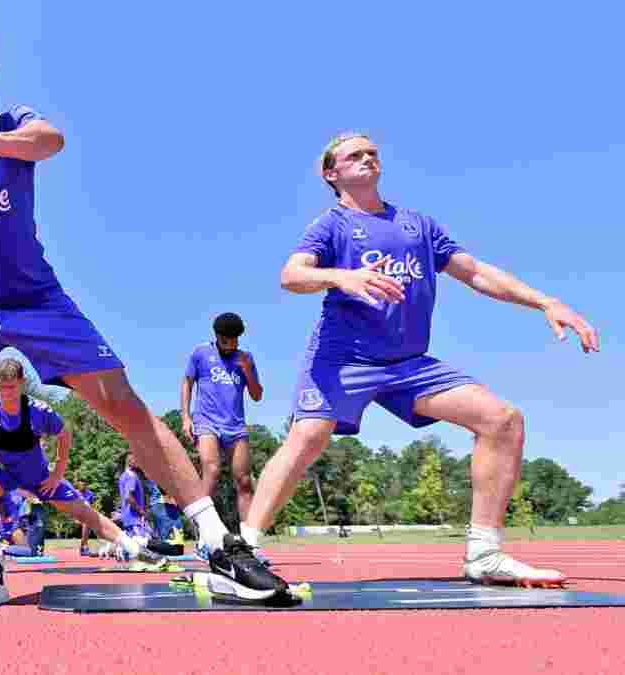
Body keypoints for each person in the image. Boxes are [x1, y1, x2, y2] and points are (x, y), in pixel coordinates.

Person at [0, 26, 242, 609]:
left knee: (122, 403)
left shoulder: (11, 125)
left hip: (39, 299)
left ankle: (220, 541)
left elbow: (51, 140)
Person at [240, 132, 599, 593]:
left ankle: (484, 553)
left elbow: (476, 272)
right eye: (355, 155)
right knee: (308, 436)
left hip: (409, 362)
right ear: (332, 174)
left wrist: (545, 301)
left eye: (372, 153)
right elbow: (292, 275)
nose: (368, 158)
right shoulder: (330, 225)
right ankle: (243, 549)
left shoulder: (418, 226)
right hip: (343, 358)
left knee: (502, 420)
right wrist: (342, 276)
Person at [0, 358, 165, 572]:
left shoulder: (38, 410)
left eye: (10, 388)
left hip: (41, 478)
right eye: (0, 387)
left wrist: (58, 472)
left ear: (21, 383)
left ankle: (137, 551)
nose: (5, 393)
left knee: (87, 514)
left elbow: (64, 434)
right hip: (6, 475)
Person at [180, 313, 263, 537]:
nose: (232, 344)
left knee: (244, 481)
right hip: (206, 421)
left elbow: (257, 395)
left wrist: (247, 370)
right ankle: (205, 537)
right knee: (212, 470)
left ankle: (250, 541)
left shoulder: (246, 357)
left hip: (235, 426)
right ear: (217, 336)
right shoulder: (201, 353)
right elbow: (187, 383)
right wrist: (186, 417)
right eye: (227, 339)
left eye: (235, 339)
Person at [74, 481, 96, 555]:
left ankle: (83, 547)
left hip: (88, 514)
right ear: (78, 485)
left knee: (87, 527)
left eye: (84, 485)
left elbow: (93, 505)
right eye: (81, 485)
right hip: (78, 514)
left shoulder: (90, 493)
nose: (83, 486)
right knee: (86, 525)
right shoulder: (75, 493)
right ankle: (84, 547)